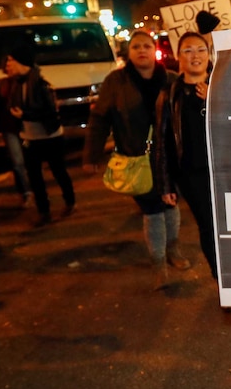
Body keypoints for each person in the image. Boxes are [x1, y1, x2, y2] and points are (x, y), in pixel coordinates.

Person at [84, 30, 189, 290]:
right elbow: (99, 119)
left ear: (154, 50)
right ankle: (159, 263)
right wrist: (92, 154)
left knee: (171, 204)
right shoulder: (116, 81)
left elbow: (188, 118)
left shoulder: (171, 79)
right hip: (136, 159)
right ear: (128, 53)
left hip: (169, 160)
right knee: (152, 210)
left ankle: (173, 249)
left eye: (146, 46)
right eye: (135, 47)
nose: (141, 50)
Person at [153, 31, 217, 280]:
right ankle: (221, 281)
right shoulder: (169, 94)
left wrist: (216, 99)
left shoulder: (223, 85)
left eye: (201, 49)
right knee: (209, 227)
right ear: (178, 56)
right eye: (188, 50)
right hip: (192, 175)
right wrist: (165, 183)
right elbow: (162, 141)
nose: (195, 56)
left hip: (225, 171)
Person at [7, 42, 76, 226]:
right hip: (28, 138)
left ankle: (69, 201)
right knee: (35, 177)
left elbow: (51, 113)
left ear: (22, 62)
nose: (8, 64)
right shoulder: (15, 83)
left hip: (50, 137)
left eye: (11, 60)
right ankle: (43, 211)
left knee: (58, 171)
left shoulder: (41, 84)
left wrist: (25, 115)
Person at [0, 56, 32, 207]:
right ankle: (25, 191)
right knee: (17, 162)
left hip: (28, 126)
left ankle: (35, 189)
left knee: (31, 160)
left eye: (12, 62)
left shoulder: (28, 82)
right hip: (10, 128)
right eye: (6, 63)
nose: (9, 66)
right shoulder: (2, 84)